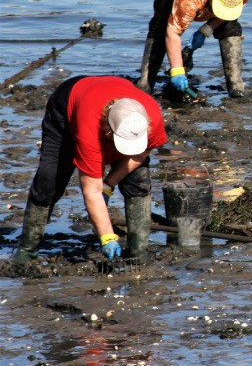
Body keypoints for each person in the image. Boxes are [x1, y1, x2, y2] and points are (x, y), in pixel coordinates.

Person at [14, 76, 168, 262]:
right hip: (67, 107)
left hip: (111, 100)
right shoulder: (90, 129)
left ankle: (139, 251)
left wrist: (109, 185)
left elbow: (141, 154)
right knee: (49, 180)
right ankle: (27, 249)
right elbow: (91, 191)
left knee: (138, 181)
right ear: (108, 131)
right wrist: (107, 238)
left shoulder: (151, 118)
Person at [136, 0, 252, 98]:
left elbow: (229, 12)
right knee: (162, 21)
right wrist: (177, 71)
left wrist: (205, 30)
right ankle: (146, 82)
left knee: (229, 24)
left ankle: (236, 86)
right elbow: (173, 32)